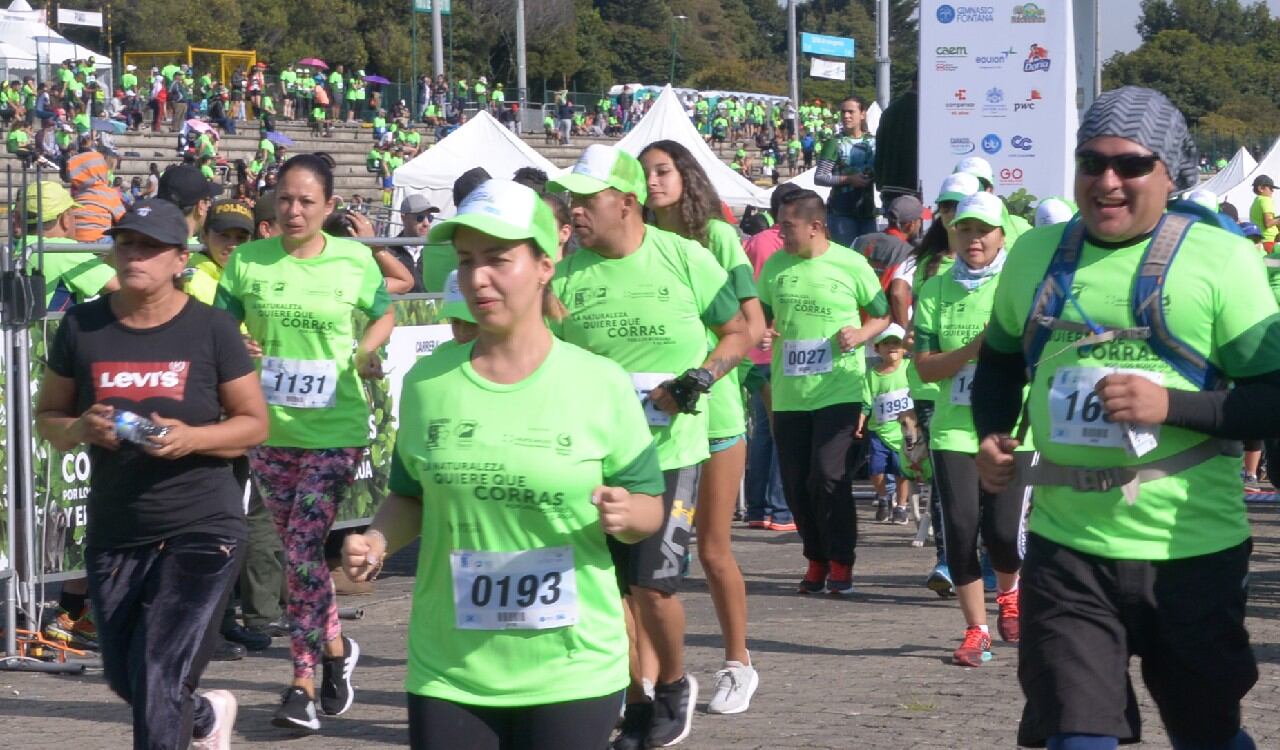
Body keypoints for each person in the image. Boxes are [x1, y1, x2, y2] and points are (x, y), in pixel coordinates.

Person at [973, 85, 1273, 750]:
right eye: (1091, 162)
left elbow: (1272, 397)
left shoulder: (1224, 259)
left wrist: (1173, 406)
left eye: (1131, 165)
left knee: (1209, 735)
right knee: (1076, 738)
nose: (1107, 181)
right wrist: (994, 435)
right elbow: (996, 364)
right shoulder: (1032, 255)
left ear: (1170, 173)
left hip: (1190, 552)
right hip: (1067, 550)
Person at [340, 178, 664, 750]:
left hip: (571, 666)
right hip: (450, 666)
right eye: (466, 260)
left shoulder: (600, 383)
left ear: (545, 264)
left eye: (498, 259)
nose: (478, 277)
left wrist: (626, 512)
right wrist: (376, 538)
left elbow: (648, 507)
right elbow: (411, 496)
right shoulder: (428, 382)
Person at [35, 198, 269, 750]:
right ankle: (206, 720)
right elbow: (49, 417)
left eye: (150, 246)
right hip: (118, 528)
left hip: (202, 526)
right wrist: (79, 430)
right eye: (126, 243)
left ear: (179, 260)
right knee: (129, 679)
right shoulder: (81, 326)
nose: (135, 255)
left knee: (162, 669)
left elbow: (254, 424)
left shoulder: (212, 329)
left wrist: (192, 438)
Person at [547, 145, 754, 749]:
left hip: (671, 452)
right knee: (609, 592)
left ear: (627, 202)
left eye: (588, 200)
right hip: (594, 456)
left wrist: (697, 381)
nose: (576, 211)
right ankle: (635, 698)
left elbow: (740, 332)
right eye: (573, 201)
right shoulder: (563, 275)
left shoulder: (685, 257)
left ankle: (673, 683)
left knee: (655, 587)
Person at [214, 154, 395, 733]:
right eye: (286, 200)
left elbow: (384, 313)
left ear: (329, 208)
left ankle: (302, 685)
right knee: (301, 555)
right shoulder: (247, 261)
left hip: (335, 430)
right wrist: (239, 347)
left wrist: (363, 353)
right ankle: (338, 649)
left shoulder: (352, 261)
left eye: (307, 202)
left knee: (300, 550)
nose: (294, 211)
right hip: (270, 428)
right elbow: (221, 327)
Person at [639, 139, 765, 716]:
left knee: (713, 551)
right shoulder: (633, 245)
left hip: (713, 419)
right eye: (644, 175)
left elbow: (752, 324)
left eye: (663, 171)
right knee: (645, 564)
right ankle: (647, 680)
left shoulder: (714, 238)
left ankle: (738, 663)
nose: (654, 183)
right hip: (647, 429)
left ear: (687, 176)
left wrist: (701, 375)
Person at [912, 191, 1028, 667]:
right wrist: (974, 351)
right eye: (964, 229)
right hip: (954, 429)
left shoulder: (1017, 288)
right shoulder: (935, 290)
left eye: (984, 230)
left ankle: (1011, 596)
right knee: (960, 529)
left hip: (1011, 427)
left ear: (1002, 235)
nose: (973, 238)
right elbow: (924, 367)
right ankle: (975, 630)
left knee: (1002, 533)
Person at [758, 188, 889, 596]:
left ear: (815, 226)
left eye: (788, 226)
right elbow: (760, 316)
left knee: (828, 475)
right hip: (790, 392)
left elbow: (884, 314)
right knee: (797, 483)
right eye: (779, 225)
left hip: (840, 389)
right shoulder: (776, 267)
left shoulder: (851, 264)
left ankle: (841, 561)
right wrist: (763, 330)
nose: (781, 233)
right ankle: (815, 558)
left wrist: (862, 331)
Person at [742, 183, 800, 532]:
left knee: (761, 432)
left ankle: (756, 508)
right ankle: (780, 510)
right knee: (782, 430)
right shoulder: (783, 246)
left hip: (751, 349)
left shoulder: (755, 241)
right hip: (776, 348)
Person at [857, 324, 917, 524]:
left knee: (902, 471)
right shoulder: (872, 375)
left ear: (904, 348)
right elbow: (866, 402)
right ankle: (884, 498)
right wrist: (860, 420)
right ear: (877, 348)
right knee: (876, 469)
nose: (892, 347)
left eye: (896, 343)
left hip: (904, 432)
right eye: (886, 343)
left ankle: (901, 506)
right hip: (879, 432)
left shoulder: (910, 368)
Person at [814, 96, 876, 246]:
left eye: (850, 112)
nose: (846, 116)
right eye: (843, 112)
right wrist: (849, 179)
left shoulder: (874, 142)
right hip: (841, 213)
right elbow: (819, 177)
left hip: (867, 211)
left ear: (862, 114)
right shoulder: (834, 143)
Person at [387, 193, 438, 293]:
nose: (426, 223)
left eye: (430, 218)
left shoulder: (437, 250)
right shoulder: (389, 252)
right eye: (420, 217)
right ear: (403, 218)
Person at [1249, 174, 1278, 249]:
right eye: (1271, 188)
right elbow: (1268, 223)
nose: (1272, 191)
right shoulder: (1266, 200)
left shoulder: (1257, 201)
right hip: (1271, 240)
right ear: (1261, 188)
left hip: (1261, 240)